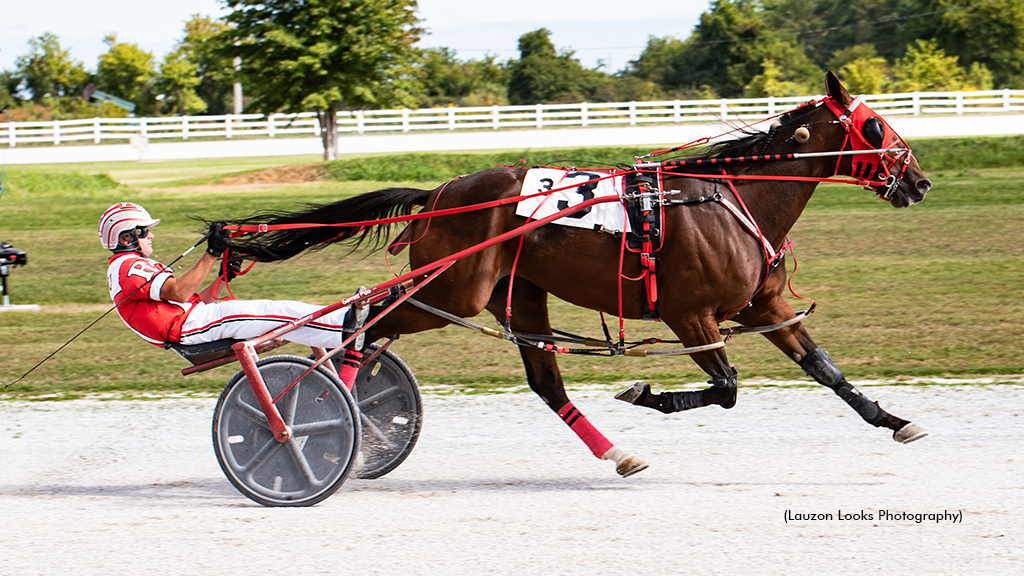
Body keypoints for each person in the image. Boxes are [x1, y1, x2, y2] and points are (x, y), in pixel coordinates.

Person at [99, 202, 354, 349]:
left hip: (196, 320)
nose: (151, 235)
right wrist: (211, 253)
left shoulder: (130, 267)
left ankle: (339, 333)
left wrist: (225, 274)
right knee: (279, 312)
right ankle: (347, 327)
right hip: (189, 327)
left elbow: (201, 298)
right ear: (125, 237)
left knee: (281, 318)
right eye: (143, 231)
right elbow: (179, 292)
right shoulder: (127, 267)